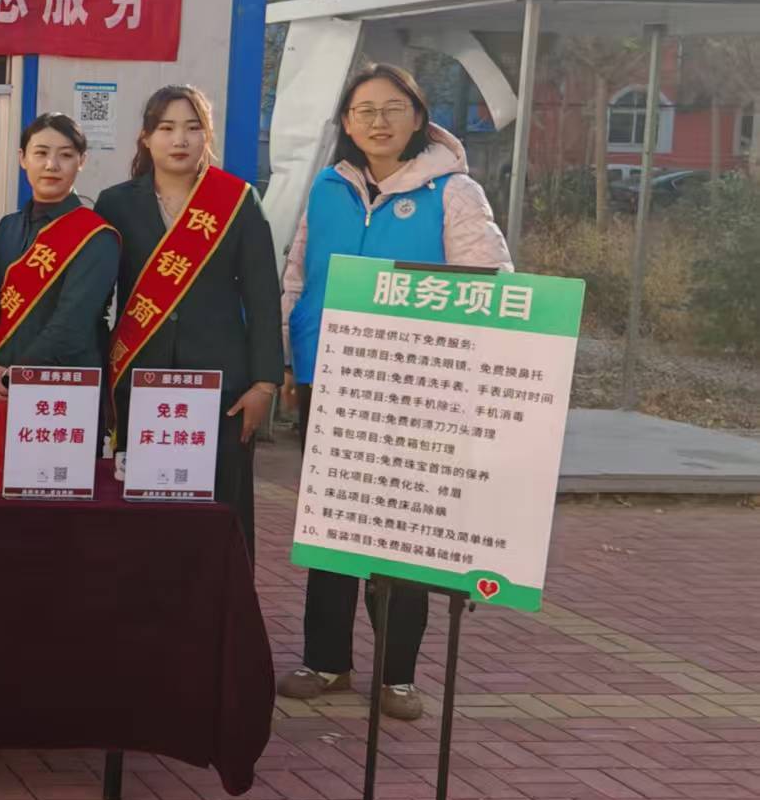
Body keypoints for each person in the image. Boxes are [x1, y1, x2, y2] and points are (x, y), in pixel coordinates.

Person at [276, 62, 511, 721]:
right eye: (363, 111)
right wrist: (292, 360)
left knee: (402, 532)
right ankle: (326, 660)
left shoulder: (453, 191)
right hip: (331, 381)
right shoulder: (327, 188)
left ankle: (397, 674)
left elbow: (489, 284)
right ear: (346, 124)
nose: (377, 121)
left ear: (418, 117)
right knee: (331, 527)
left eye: (391, 108)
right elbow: (298, 277)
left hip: (414, 389)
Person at [96, 85, 281, 560]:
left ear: (207, 136)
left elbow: (263, 297)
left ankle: (222, 604)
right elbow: (98, 296)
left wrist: (264, 384)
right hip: (140, 378)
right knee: (141, 515)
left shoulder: (236, 200)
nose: (179, 139)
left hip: (222, 386)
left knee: (220, 511)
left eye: (192, 128)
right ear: (146, 137)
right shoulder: (115, 203)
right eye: (167, 128)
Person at [0, 114, 120, 411]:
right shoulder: (8, 226)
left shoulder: (96, 235)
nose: (51, 165)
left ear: (81, 161)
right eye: (41, 153)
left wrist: (13, 375)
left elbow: (72, 324)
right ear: (23, 158)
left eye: (65, 155)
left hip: (63, 389)